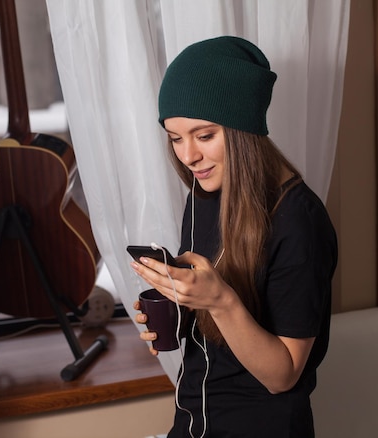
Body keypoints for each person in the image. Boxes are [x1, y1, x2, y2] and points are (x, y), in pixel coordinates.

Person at [131, 36, 338, 437]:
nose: (187, 155)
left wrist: (221, 301)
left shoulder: (299, 222)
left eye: (204, 135)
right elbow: (209, 323)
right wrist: (178, 310)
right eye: (175, 138)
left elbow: (283, 375)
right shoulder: (205, 194)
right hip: (192, 423)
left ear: (243, 129)